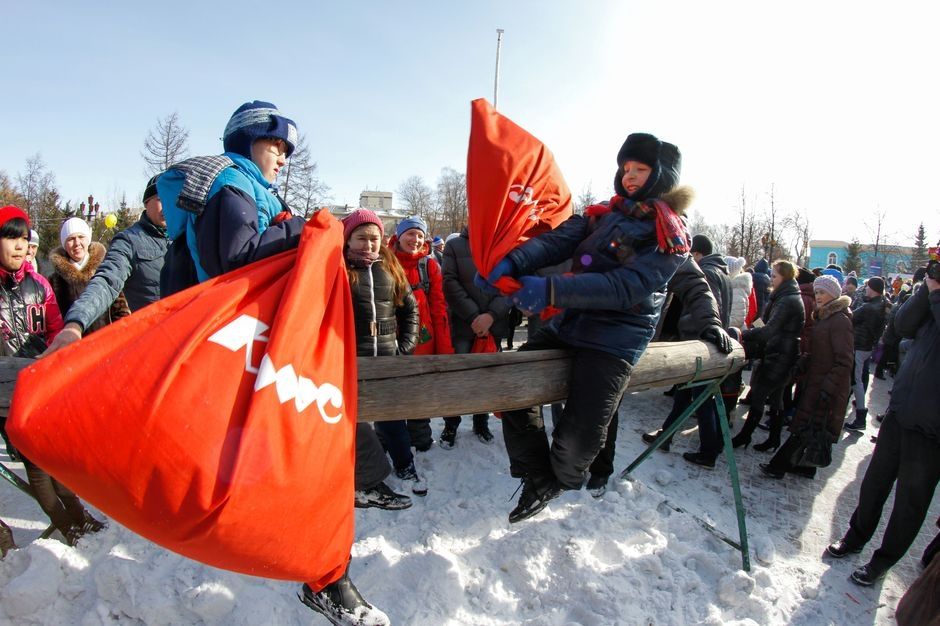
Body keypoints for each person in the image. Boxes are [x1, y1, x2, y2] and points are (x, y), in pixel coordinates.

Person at [157, 101, 388, 625]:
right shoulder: (231, 185)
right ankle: (319, 571)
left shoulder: (253, 190)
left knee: (297, 456)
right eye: (274, 145)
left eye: (287, 149)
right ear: (245, 141)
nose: (282, 156)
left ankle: (323, 568)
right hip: (236, 350)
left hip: (252, 347)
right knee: (296, 458)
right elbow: (236, 260)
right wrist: (308, 234)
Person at [478, 132, 690, 522]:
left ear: (662, 175)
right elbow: (557, 240)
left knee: (578, 440)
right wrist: (511, 263)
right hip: (570, 325)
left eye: (640, 169)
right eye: (625, 168)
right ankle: (537, 476)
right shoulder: (604, 214)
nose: (629, 176)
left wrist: (552, 290)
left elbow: (625, 288)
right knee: (509, 386)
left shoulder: (670, 234)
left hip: (614, 340)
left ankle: (557, 480)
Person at [827, 268, 940, 586]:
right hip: (901, 411)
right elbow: (900, 326)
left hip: (932, 430)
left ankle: (882, 562)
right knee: (874, 483)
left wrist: (936, 295)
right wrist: (925, 290)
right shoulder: (931, 298)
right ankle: (855, 537)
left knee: (909, 502)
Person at [0, 205, 105, 545]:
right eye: (10, 237)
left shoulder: (39, 285)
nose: (18, 245)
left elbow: (56, 330)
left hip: (36, 386)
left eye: (23, 238)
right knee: (35, 467)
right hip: (3, 392)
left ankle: (80, 518)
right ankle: (67, 526)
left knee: (51, 460)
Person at [342, 209, 426, 501]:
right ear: (348, 239)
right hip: (353, 359)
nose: (368, 245)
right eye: (361, 238)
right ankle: (359, 474)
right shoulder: (338, 268)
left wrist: (407, 345)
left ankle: (405, 465)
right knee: (356, 421)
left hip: (389, 355)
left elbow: (410, 307)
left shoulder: (389, 263)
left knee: (392, 418)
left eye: (374, 238)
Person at [42, 176, 169, 356]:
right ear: (146, 202)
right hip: (148, 342)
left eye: (172, 198)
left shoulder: (188, 235)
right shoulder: (129, 242)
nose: (76, 243)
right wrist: (75, 323)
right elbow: (107, 282)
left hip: (185, 338)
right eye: (161, 199)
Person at [641, 235, 734, 470]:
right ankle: (666, 436)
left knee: (702, 399)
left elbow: (699, 306)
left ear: (698, 254)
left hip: (699, 343)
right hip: (707, 340)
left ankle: (709, 451)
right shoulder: (722, 273)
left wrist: (692, 332)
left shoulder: (708, 274)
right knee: (684, 396)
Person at [759, 275, 852, 480]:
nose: (818, 296)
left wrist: (828, 387)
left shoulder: (839, 321)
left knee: (804, 427)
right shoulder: (826, 317)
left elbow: (844, 361)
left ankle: (778, 466)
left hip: (824, 385)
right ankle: (805, 467)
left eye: (823, 292)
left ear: (834, 295)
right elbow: (819, 351)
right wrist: (802, 363)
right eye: (817, 292)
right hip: (816, 381)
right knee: (810, 426)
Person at [440, 226, 514, 446]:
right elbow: (449, 282)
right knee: (458, 378)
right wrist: (474, 316)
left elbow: (511, 284)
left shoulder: (505, 246)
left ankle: (481, 422)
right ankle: (450, 425)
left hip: (494, 325)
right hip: (464, 325)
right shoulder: (454, 245)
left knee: (486, 378)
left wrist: (491, 315)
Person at [388, 216, 454, 451]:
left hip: (424, 339)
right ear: (399, 235)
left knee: (419, 391)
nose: (414, 239)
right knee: (392, 390)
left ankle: (421, 439)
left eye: (419, 235)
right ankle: (393, 440)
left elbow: (439, 309)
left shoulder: (429, 266)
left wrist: (443, 350)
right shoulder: (386, 262)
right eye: (410, 234)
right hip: (391, 337)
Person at [731, 260, 805, 451]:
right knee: (776, 399)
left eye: (774, 276)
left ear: (785, 277)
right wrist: (748, 330)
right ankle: (774, 439)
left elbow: (769, 329)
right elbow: (764, 322)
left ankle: (744, 436)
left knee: (759, 395)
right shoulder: (784, 296)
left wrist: (742, 334)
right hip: (780, 353)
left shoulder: (788, 299)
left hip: (779, 355)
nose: (771, 280)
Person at [48, 217, 130, 332]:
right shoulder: (55, 281)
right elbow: (52, 321)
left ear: (88, 239)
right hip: (73, 345)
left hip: (105, 341)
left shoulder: (105, 271)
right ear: (64, 244)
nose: (77, 243)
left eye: (81, 237)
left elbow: (121, 311)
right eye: (71, 239)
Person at [844, 276, 888, 431]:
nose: (866, 289)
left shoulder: (869, 308)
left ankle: (861, 416)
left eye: (868, 287)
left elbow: (850, 316)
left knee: (856, 381)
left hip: (860, 346)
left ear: (873, 289)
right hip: (866, 346)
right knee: (856, 379)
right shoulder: (881, 303)